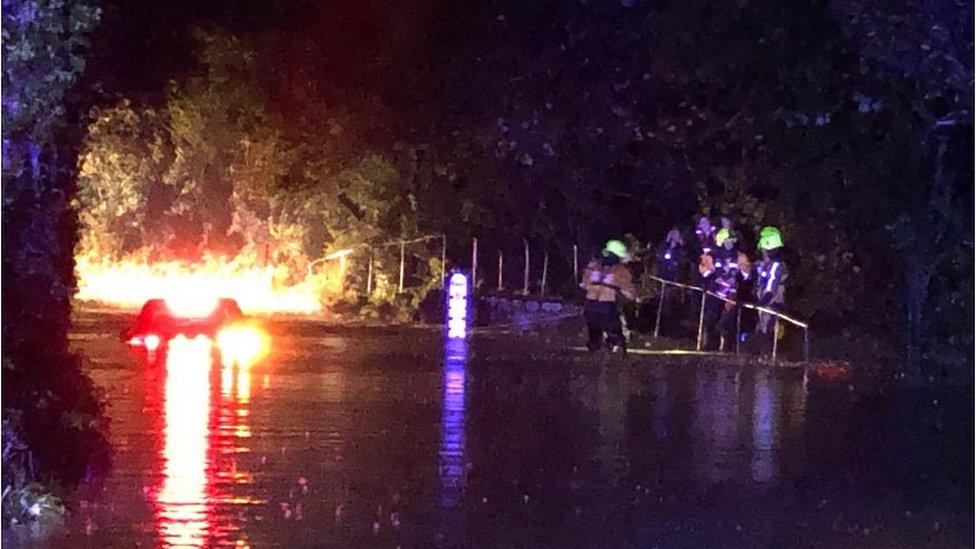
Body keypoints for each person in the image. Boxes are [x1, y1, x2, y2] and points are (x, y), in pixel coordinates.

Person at [581, 239, 635, 352]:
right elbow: (628, 290)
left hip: (590, 303)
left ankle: (597, 343)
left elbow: (585, 283)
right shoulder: (621, 270)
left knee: (594, 329)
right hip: (607, 304)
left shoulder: (593, 265)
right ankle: (612, 342)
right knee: (613, 328)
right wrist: (633, 296)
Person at [754, 226, 788, 352]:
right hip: (765, 302)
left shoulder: (776, 265)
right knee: (763, 327)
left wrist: (764, 301)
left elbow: (771, 286)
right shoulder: (764, 265)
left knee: (769, 328)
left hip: (772, 302)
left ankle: (769, 356)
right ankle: (763, 354)